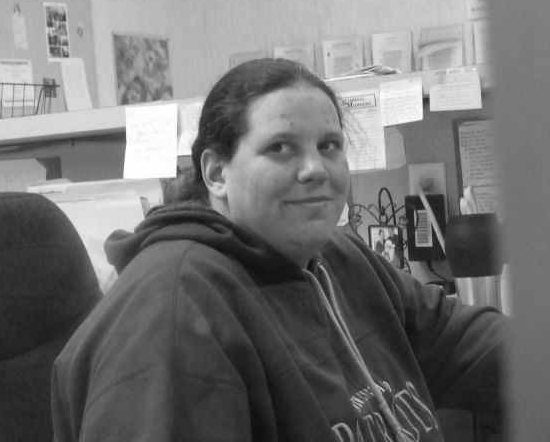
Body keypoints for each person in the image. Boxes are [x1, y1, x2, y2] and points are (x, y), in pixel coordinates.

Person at [51, 58, 508, 442]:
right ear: (216, 173)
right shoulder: (171, 312)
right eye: (281, 148)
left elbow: (467, 344)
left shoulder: (338, 258)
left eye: (329, 145)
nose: (315, 169)